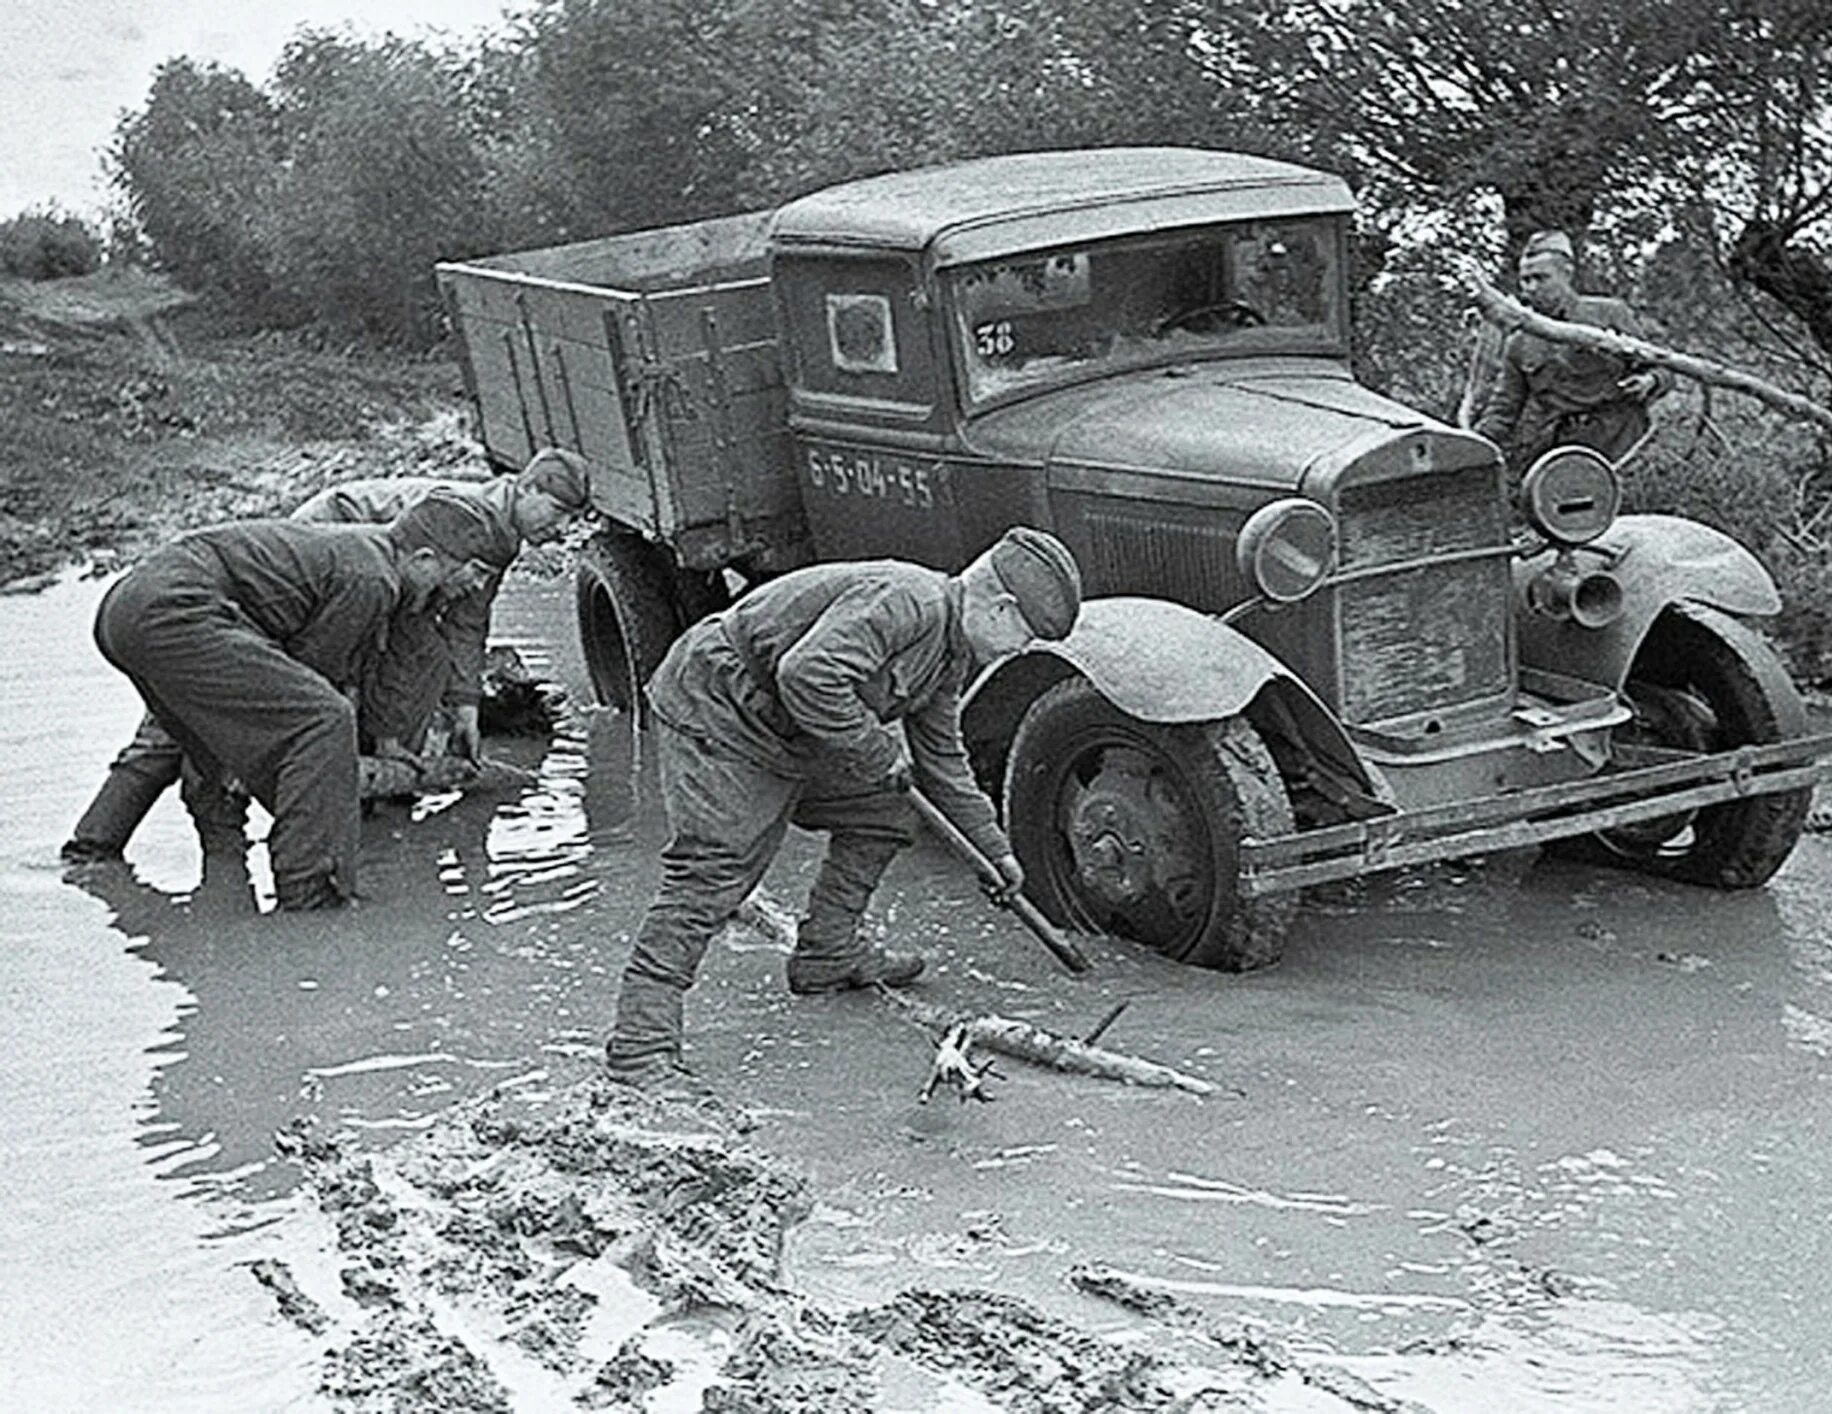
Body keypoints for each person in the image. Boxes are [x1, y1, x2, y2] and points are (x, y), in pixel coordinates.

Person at [606, 527, 1085, 1090]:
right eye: (1023, 637)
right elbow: (807, 674)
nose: (1018, 652)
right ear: (1001, 608)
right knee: (712, 873)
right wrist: (876, 749)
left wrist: (996, 854)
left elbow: (942, 763)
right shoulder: (908, 602)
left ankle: (827, 951)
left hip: (791, 727)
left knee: (886, 810)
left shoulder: (951, 653)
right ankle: (640, 1049)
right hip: (722, 707)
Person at [62, 449, 590, 863]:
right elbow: (365, 642)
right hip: (327, 548)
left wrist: (466, 706)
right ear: (526, 488)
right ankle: (104, 845)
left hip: (346, 572)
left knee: (373, 679)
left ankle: (310, 826)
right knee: (217, 710)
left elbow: (463, 627)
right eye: (559, 512)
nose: (562, 529)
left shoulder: (495, 538)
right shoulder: (462, 524)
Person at [90, 497, 494, 910]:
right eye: (470, 570)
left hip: (125, 610)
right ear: (425, 558)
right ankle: (310, 895)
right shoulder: (374, 578)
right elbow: (316, 673)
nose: (476, 585)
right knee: (324, 720)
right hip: (174, 610)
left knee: (209, 740)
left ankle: (100, 854)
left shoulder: (368, 553)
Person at [1472, 230, 1670, 469]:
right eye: (1526, 280)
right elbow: (1504, 408)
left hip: (1623, 440)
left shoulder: (1608, 314)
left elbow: (1662, 369)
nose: (1531, 288)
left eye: (1541, 278)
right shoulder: (1519, 342)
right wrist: (1472, 444)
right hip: (1564, 445)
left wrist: (1648, 381)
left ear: (1566, 274)